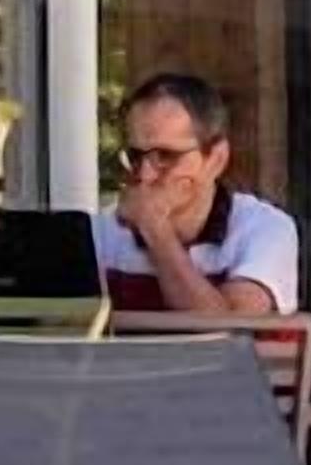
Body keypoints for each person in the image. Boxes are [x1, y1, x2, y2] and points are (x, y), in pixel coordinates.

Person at [93, 69, 300, 316]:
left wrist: (155, 231)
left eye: (165, 156)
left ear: (216, 159)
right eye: (136, 156)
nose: (145, 174)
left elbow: (227, 334)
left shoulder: (263, 228)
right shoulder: (102, 233)